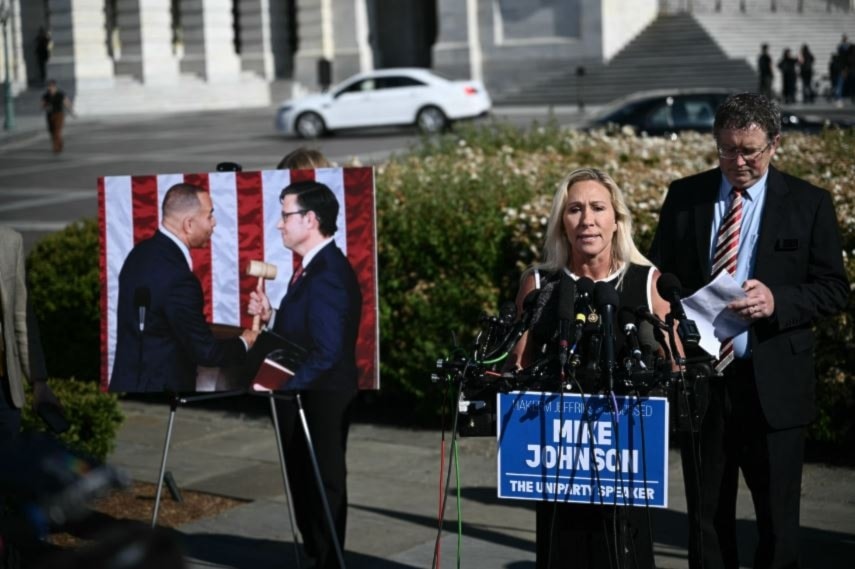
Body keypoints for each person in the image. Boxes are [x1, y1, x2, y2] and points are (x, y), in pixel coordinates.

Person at [649, 93, 849, 569]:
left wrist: (779, 300)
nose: (736, 161)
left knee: (778, 525)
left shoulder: (809, 203)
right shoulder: (685, 197)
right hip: (702, 382)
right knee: (706, 519)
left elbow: (834, 289)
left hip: (774, 383)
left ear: (775, 144)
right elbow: (661, 274)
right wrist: (677, 310)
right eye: (726, 149)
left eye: (749, 151)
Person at [507, 167, 673, 569]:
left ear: (617, 220)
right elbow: (518, 367)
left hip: (626, 459)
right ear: (561, 223)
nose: (587, 220)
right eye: (575, 209)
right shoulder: (538, 283)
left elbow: (675, 367)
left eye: (598, 208)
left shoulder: (647, 281)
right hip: (558, 455)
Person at [248, 178, 361, 569]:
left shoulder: (328, 272)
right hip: (304, 394)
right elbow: (308, 335)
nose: (279, 224)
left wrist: (281, 387)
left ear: (310, 219)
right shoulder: (312, 268)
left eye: (285, 216)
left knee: (320, 485)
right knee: (304, 483)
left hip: (319, 396)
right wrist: (272, 316)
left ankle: (326, 561)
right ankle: (316, 556)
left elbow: (328, 352)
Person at [110, 183, 258, 393]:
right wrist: (245, 342)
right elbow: (206, 352)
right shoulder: (179, 279)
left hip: (125, 384)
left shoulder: (139, 254)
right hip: (160, 392)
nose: (213, 224)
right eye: (209, 216)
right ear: (189, 224)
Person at [40, 80, 73, 153]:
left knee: (57, 131)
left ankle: (56, 147)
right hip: (50, 115)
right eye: (48, 86)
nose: (49, 88)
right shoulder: (46, 95)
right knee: (51, 131)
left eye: (51, 86)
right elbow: (42, 104)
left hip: (59, 114)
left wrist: (70, 110)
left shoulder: (60, 94)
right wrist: (45, 106)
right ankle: (59, 143)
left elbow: (66, 102)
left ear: (54, 86)